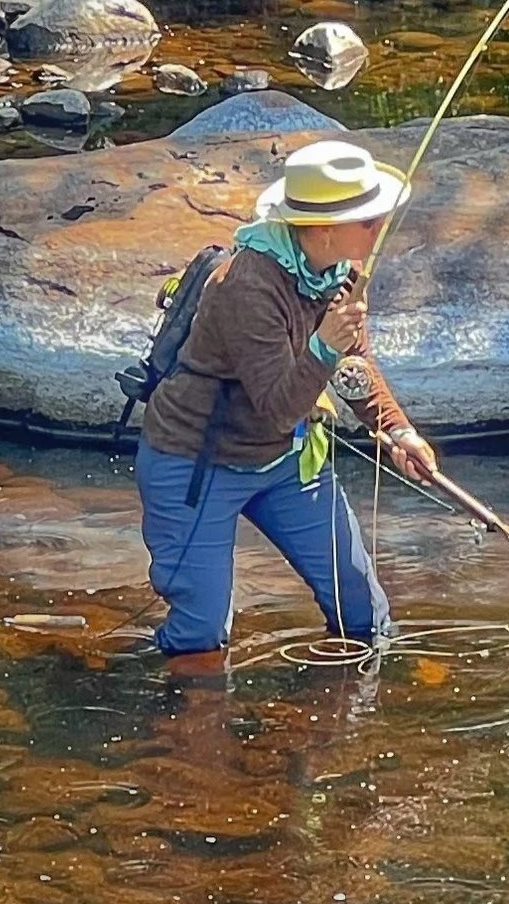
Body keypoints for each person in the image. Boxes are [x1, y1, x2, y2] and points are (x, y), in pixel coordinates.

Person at [135, 139, 439, 657]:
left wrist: (397, 430)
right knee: (201, 635)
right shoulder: (248, 286)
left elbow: (353, 368)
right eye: (369, 220)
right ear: (324, 229)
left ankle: (339, 727)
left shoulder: (335, 271)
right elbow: (277, 407)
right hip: (195, 464)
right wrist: (325, 343)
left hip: (287, 463)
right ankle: (169, 723)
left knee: (363, 616)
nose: (381, 226)